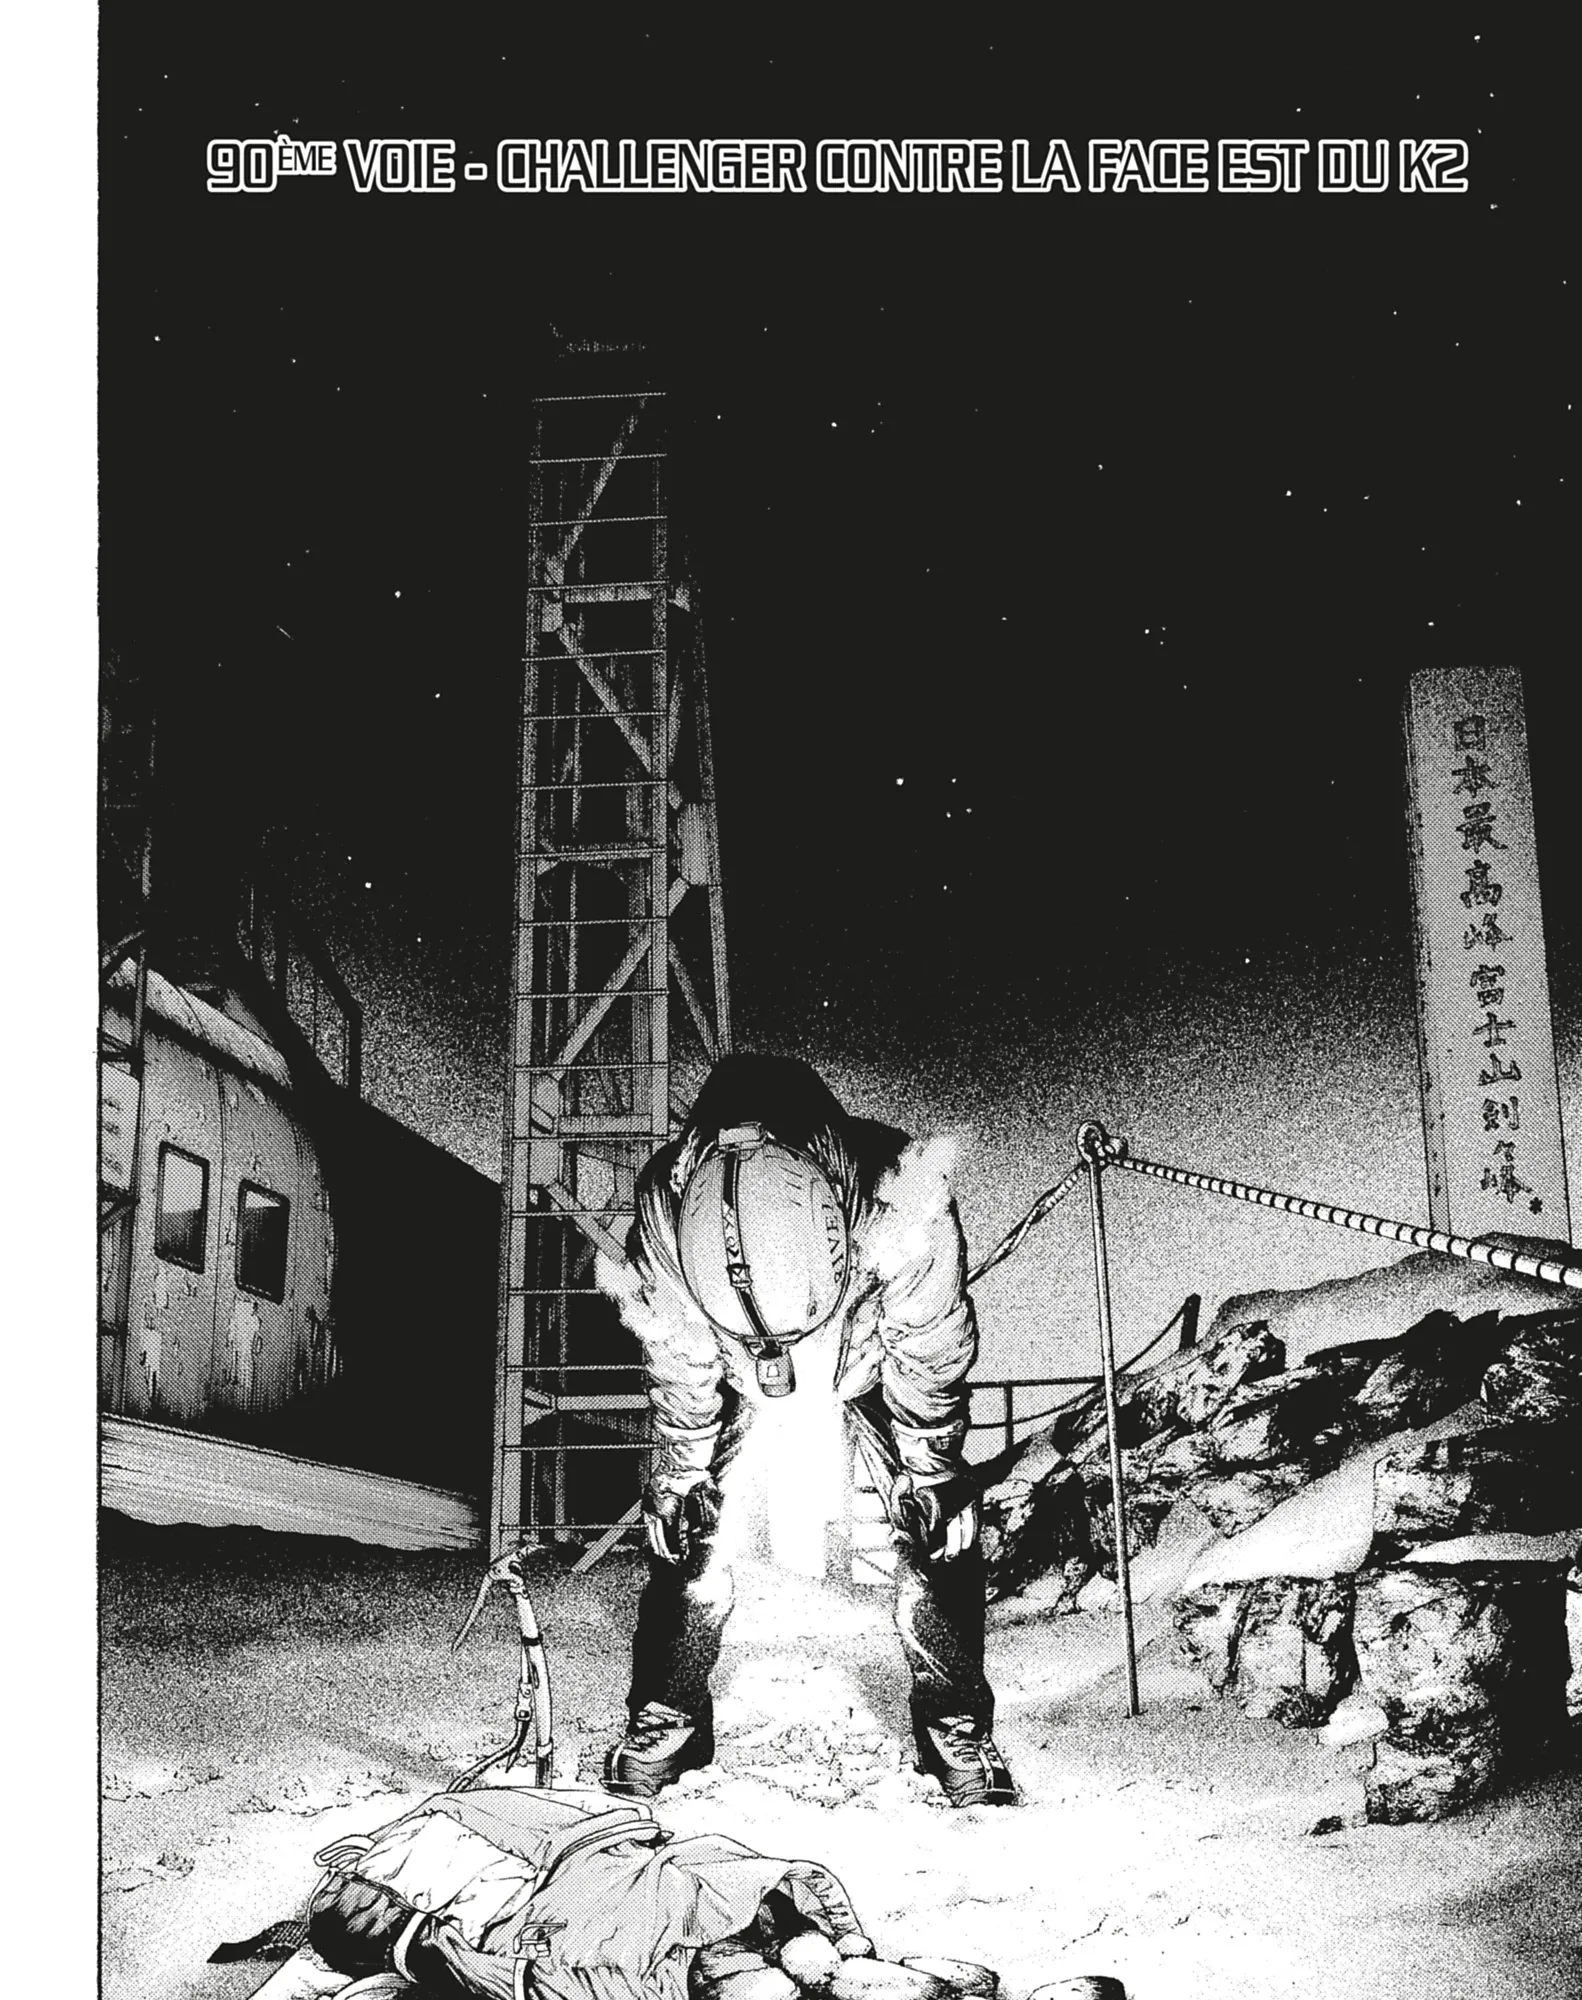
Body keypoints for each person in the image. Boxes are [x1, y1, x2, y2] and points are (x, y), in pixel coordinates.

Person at [595, 1054, 1015, 1808]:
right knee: (687, 1527)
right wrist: (681, 1472)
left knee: (939, 1524)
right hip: (734, 1368)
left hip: (868, 1362)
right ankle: (670, 1717)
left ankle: (954, 1723)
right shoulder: (666, 1207)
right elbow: (679, 1351)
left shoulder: (900, 1196)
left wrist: (930, 1466)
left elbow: (927, 1345)